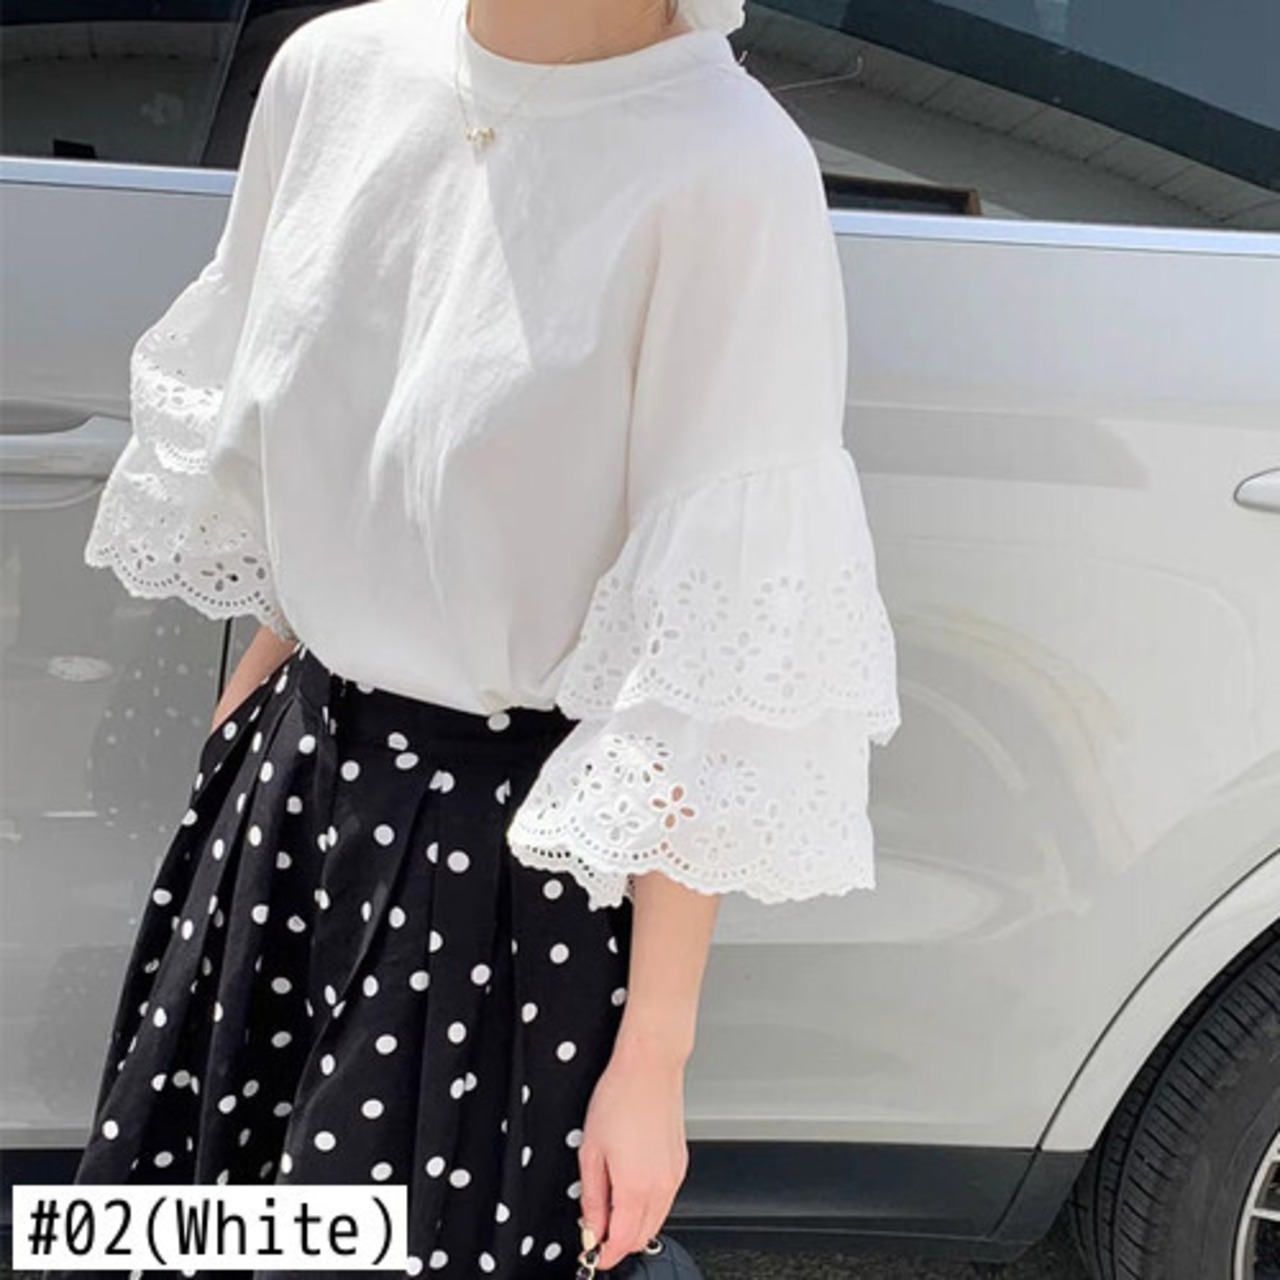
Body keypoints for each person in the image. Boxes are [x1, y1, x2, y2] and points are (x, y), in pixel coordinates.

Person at [56, 0, 902, 1275]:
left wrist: (652, 1052)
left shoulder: (726, 167)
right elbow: (333, 438)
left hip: (500, 865)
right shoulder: (332, 72)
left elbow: (709, 651)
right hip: (290, 783)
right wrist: (252, 712)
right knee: (197, 1226)